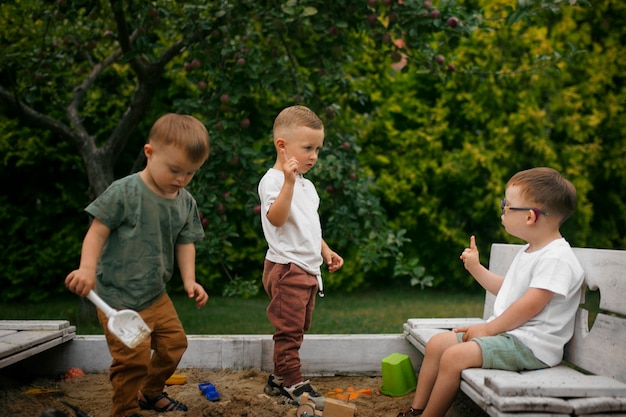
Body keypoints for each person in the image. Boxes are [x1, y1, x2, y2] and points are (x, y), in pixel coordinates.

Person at [396, 167, 585, 417]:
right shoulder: (531, 250)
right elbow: (507, 290)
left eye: (506, 205)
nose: (502, 209)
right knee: (437, 343)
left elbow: (529, 306)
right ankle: (415, 410)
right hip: (511, 336)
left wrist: (487, 330)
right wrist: (476, 268)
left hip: (532, 346)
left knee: (454, 357)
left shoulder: (556, 258)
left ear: (530, 217)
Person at [65, 113, 210, 417]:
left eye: (190, 173)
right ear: (149, 152)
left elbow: (186, 242)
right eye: (175, 170)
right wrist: (87, 269)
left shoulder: (185, 202)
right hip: (115, 297)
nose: (181, 179)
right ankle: (125, 409)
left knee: (174, 345)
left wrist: (189, 280)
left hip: (154, 294)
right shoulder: (125, 192)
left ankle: (151, 392)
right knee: (133, 360)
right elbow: (97, 232)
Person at [258, 105, 344, 409]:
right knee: (289, 330)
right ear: (282, 146)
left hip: (308, 268)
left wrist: (325, 250)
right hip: (286, 268)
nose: (314, 156)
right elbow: (277, 218)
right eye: (308, 148)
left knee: (299, 326)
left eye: (317, 149)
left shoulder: (307, 186)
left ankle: (279, 380)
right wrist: (289, 183)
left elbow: (307, 225)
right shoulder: (274, 181)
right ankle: (294, 383)